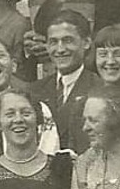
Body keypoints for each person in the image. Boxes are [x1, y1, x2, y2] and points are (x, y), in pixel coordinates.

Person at [32, 10, 108, 156]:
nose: (60, 49)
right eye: (53, 42)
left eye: (68, 41)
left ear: (86, 43)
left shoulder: (100, 89)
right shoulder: (36, 90)